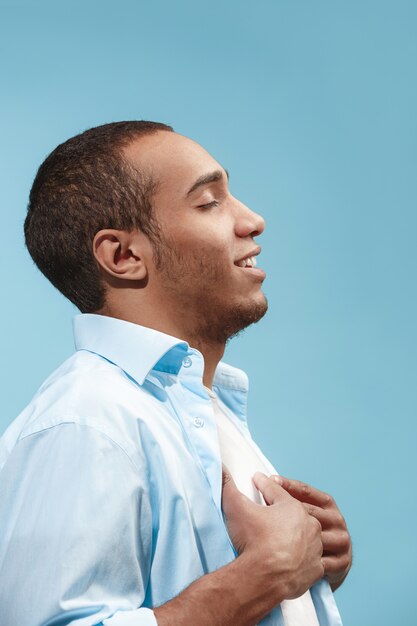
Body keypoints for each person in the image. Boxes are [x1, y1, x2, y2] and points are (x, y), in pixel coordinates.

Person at [0, 121, 351, 626]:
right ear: (123, 256)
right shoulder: (88, 422)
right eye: (209, 202)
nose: (253, 220)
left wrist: (307, 581)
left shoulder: (195, 408)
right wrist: (260, 578)